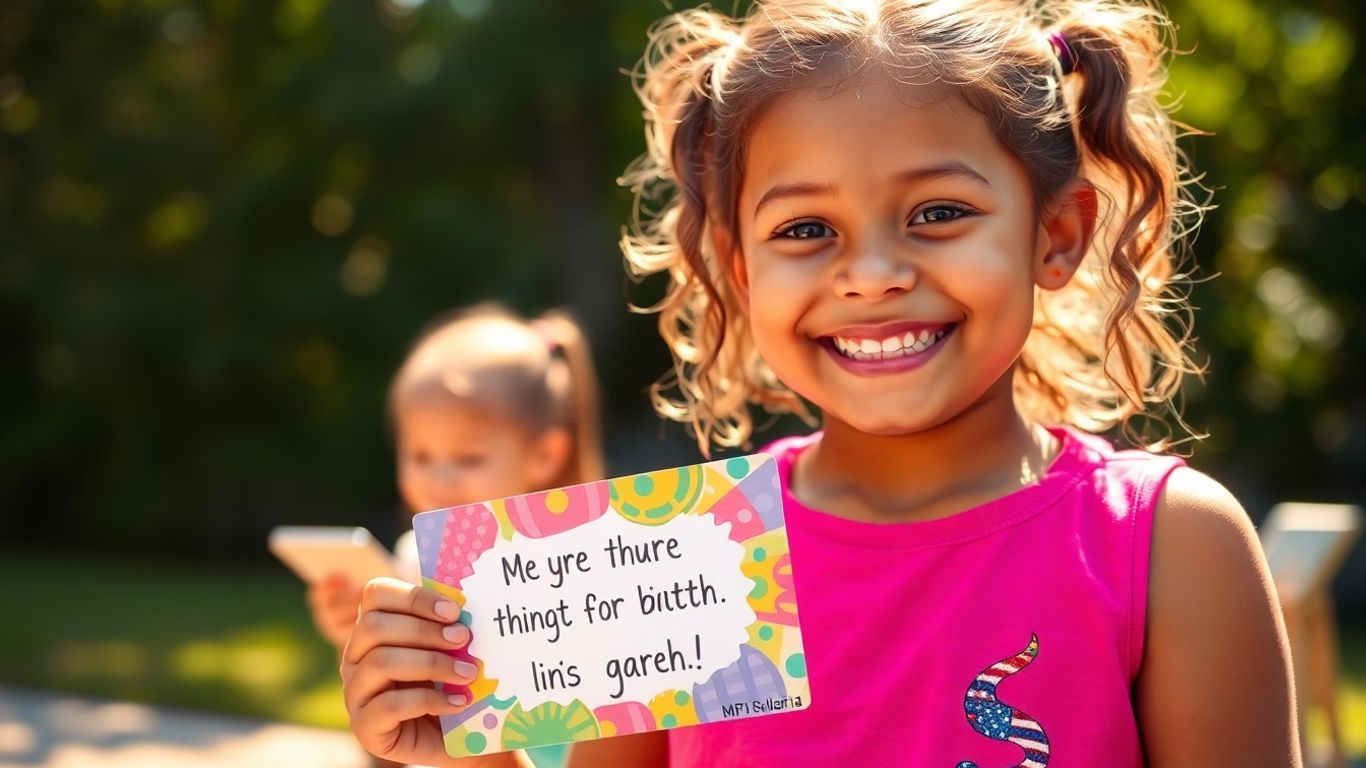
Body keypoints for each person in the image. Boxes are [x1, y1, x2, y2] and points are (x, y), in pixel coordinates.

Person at [340, 1, 1300, 766]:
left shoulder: (1169, 547)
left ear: (1055, 233)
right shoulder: (671, 560)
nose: (872, 272)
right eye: (805, 230)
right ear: (739, 263)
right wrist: (450, 747)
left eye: (937, 211)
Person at [308, 302, 604, 651]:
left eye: (469, 459)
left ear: (544, 456)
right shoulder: (410, 563)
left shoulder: (580, 566)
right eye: (420, 455)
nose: (439, 479)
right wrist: (358, 635)